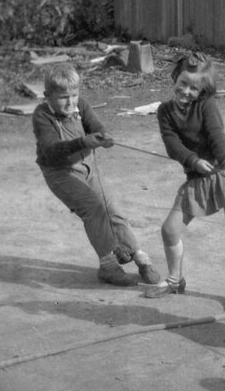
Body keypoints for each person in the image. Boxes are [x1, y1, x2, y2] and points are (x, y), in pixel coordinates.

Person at [142, 53, 225, 310]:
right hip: (197, 173)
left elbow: (217, 134)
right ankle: (174, 279)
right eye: (183, 83)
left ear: (203, 89)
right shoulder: (165, 112)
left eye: (194, 87)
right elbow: (172, 145)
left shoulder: (207, 106)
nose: (186, 91)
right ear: (175, 77)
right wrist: (193, 161)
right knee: (170, 230)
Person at [33, 63, 162, 287]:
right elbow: (51, 149)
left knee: (113, 210)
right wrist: (84, 141)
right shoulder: (42, 116)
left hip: (87, 167)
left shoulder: (80, 106)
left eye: (74, 95)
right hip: (59, 172)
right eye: (63, 97)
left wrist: (104, 135)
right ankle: (108, 266)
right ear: (47, 96)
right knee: (94, 208)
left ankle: (140, 257)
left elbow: (96, 125)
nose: (70, 102)